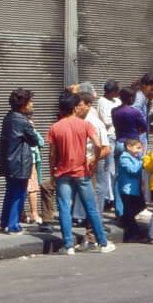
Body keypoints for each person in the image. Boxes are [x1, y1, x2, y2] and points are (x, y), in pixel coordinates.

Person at [47, 91, 115, 255]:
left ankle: (68, 245)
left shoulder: (55, 128)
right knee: (91, 208)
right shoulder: (85, 125)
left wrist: (52, 174)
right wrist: (93, 161)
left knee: (64, 207)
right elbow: (98, 145)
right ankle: (102, 243)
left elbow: (52, 155)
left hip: (63, 173)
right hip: (82, 172)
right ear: (74, 107)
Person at [0, 88, 42, 233]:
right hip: (20, 162)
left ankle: (4, 222)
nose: (32, 105)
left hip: (8, 161)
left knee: (10, 192)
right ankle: (13, 225)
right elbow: (34, 140)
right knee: (19, 193)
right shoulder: (23, 121)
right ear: (23, 104)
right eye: (30, 102)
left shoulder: (8, 117)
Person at [114, 138, 148, 242]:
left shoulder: (136, 157)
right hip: (127, 189)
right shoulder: (124, 158)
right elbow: (132, 170)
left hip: (135, 189)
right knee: (129, 210)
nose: (140, 150)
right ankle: (133, 233)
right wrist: (142, 162)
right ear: (128, 147)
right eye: (138, 148)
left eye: (140, 148)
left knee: (141, 205)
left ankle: (125, 219)